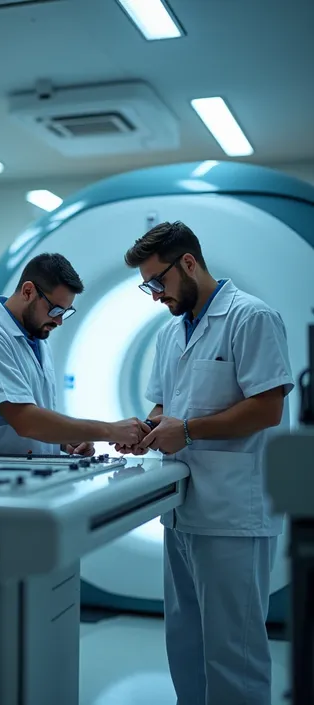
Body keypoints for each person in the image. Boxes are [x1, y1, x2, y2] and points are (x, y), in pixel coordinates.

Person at [119, 221, 294, 705]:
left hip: (234, 512)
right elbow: (164, 405)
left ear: (189, 264)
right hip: (182, 510)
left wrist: (188, 430)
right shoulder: (170, 333)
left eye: (158, 282)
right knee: (186, 644)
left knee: (232, 654)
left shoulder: (252, 317)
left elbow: (267, 408)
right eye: (147, 285)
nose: (154, 295)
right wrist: (147, 429)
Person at [0, 252, 148, 456]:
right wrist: (110, 430)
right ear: (27, 291)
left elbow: (35, 417)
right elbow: (26, 421)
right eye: (55, 311)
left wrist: (65, 442)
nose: (59, 321)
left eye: (65, 313)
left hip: (27, 475)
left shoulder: (38, 339)